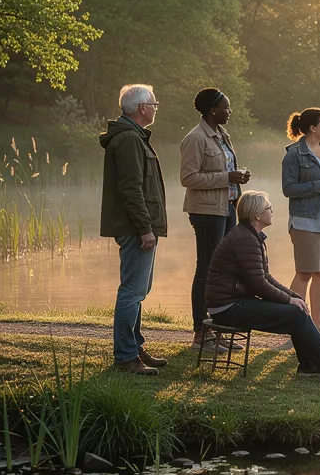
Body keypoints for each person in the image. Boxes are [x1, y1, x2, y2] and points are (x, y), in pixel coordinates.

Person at [204, 190, 320, 385]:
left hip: (233, 302)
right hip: (228, 307)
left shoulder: (250, 236)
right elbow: (259, 284)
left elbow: (265, 277)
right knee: (296, 313)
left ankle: (308, 365)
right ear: (257, 215)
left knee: (297, 309)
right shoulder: (246, 239)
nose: (272, 210)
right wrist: (290, 300)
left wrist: (293, 296)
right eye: (268, 207)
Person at [99, 84, 168, 375]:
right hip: (136, 228)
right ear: (142, 108)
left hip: (139, 227)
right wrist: (144, 229)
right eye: (153, 104)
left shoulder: (134, 137)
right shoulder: (128, 139)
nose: (155, 108)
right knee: (132, 291)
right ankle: (126, 356)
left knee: (139, 289)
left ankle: (135, 347)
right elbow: (131, 190)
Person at [180, 87, 252, 350]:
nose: (230, 111)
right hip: (207, 213)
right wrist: (227, 178)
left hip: (228, 209)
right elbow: (188, 178)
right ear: (213, 110)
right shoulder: (195, 138)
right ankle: (201, 334)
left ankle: (217, 329)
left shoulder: (223, 135)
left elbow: (226, 172)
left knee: (223, 271)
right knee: (207, 269)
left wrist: (238, 180)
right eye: (226, 107)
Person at [281, 107, 320, 342]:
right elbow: (288, 189)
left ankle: (316, 327)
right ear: (312, 128)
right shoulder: (293, 155)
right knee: (305, 272)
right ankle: (295, 325)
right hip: (305, 222)